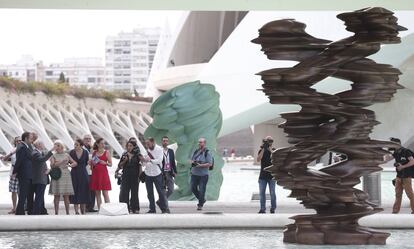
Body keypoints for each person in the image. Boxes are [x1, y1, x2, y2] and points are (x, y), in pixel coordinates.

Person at [142, 137, 170, 213]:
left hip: (157, 174)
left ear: (153, 142)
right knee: (149, 193)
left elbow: (159, 160)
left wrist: (150, 160)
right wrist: (143, 161)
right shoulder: (146, 150)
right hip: (148, 174)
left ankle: (164, 209)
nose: (147, 145)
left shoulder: (159, 149)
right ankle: (152, 209)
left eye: (148, 144)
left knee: (160, 192)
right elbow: (144, 163)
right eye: (146, 144)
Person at [386, 138, 414, 214]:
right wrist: (387, 151)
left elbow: (412, 161)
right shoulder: (396, 152)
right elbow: (387, 159)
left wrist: (403, 166)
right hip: (399, 176)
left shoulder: (406, 151)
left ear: (397, 144)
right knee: (398, 194)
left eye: (392, 144)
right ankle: (395, 211)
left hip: (406, 176)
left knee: (410, 194)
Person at [49, 140, 77, 215]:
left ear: (62, 146)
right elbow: (52, 166)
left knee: (66, 195)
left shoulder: (67, 155)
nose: (56, 147)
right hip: (57, 174)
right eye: (55, 145)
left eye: (58, 145)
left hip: (66, 174)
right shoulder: (53, 155)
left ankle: (67, 213)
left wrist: (70, 165)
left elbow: (75, 163)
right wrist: (61, 162)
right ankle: (56, 212)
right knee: (56, 195)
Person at [116, 140, 142, 213]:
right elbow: (120, 166)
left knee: (135, 192)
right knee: (124, 192)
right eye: (128, 146)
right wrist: (125, 161)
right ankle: (125, 208)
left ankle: (135, 208)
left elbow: (140, 166)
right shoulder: (124, 155)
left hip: (135, 176)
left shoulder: (137, 155)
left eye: (131, 146)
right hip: (126, 176)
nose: (129, 147)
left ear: (133, 147)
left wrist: (140, 176)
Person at [13, 132, 34, 215]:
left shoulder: (26, 146)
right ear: (26, 138)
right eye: (31, 138)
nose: (32, 140)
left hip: (27, 174)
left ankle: (23, 211)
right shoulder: (22, 147)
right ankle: (19, 212)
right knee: (23, 193)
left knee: (26, 193)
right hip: (24, 174)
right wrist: (15, 172)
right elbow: (19, 161)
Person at [31, 140, 55, 215]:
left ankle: (42, 210)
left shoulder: (39, 152)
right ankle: (36, 212)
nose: (44, 145)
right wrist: (51, 150)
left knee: (40, 195)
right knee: (39, 196)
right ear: (38, 145)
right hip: (39, 178)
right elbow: (42, 159)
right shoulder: (35, 153)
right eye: (43, 143)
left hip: (41, 177)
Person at [190, 137, 213, 211]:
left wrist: (201, 165)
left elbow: (210, 164)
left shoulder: (207, 152)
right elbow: (192, 160)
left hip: (203, 175)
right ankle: (202, 199)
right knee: (193, 188)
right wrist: (193, 163)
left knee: (202, 189)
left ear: (204, 143)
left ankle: (200, 205)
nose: (199, 143)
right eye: (199, 142)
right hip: (194, 174)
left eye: (201, 142)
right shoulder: (196, 151)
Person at [89, 138, 112, 211]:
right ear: (97, 144)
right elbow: (92, 165)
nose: (103, 145)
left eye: (104, 143)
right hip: (95, 174)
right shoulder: (94, 153)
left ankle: (108, 209)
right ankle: (100, 209)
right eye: (101, 143)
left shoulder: (107, 152)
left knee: (105, 193)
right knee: (97, 194)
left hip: (104, 174)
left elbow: (110, 164)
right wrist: (91, 163)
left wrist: (105, 163)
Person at [0, 136, 21, 214]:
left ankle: (20, 207)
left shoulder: (24, 150)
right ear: (15, 142)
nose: (18, 142)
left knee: (21, 191)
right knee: (13, 191)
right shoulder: (12, 150)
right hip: (13, 173)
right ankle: (14, 208)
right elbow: (6, 159)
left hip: (21, 173)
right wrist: (8, 155)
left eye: (20, 141)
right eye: (17, 141)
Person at [69, 139, 91, 215]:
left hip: (83, 173)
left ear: (81, 145)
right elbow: (69, 163)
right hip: (74, 173)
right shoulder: (71, 152)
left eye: (77, 145)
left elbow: (86, 162)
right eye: (74, 144)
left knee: (83, 191)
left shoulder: (85, 152)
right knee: (75, 190)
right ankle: (76, 211)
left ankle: (83, 211)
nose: (75, 146)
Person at [257, 136, 276, 214]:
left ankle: (273, 208)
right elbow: (258, 159)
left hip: (272, 176)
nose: (269, 143)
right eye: (268, 141)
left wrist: (269, 149)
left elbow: (276, 158)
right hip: (262, 176)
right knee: (262, 193)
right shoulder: (261, 150)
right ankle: (262, 209)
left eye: (271, 141)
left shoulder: (274, 150)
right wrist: (263, 149)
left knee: (272, 193)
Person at [83, 134, 98, 213]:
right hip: (85, 171)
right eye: (86, 139)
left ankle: (91, 206)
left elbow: (96, 160)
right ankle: (85, 206)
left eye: (89, 138)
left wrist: (93, 151)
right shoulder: (82, 148)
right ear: (83, 140)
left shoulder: (93, 149)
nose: (88, 140)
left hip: (93, 172)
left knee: (93, 190)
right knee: (86, 189)